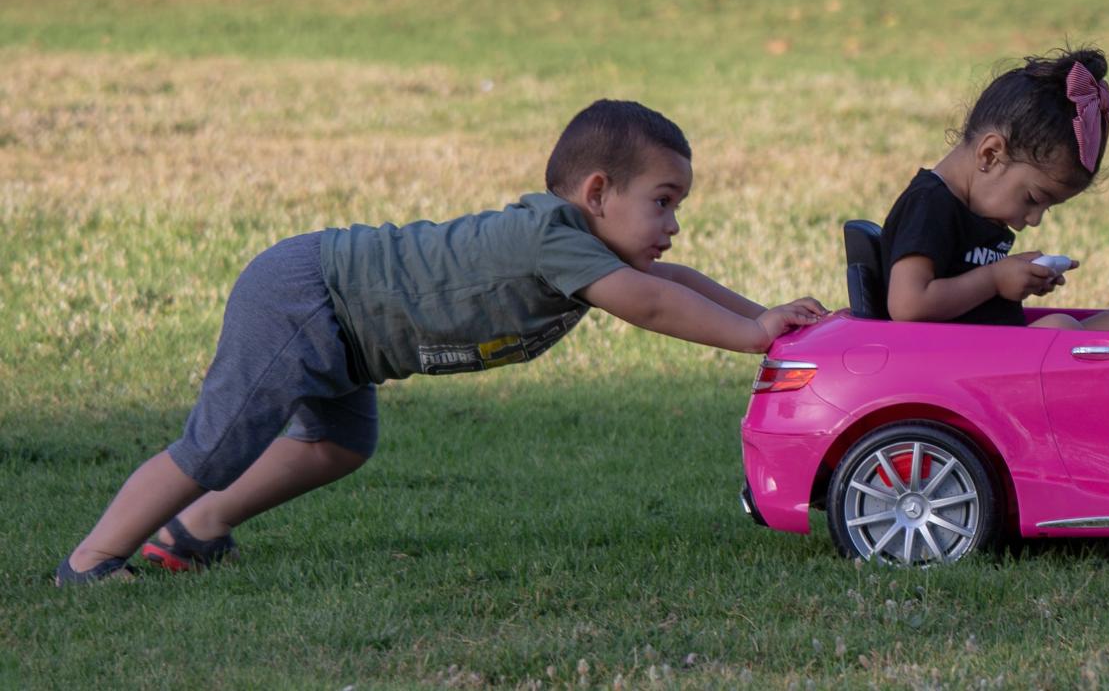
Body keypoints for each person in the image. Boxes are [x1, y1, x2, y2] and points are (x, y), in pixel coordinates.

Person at [56, 99, 824, 584]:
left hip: (351, 332)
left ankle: (195, 529)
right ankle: (91, 560)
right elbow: (652, 305)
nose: (672, 224)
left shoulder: (588, 247)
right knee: (219, 442)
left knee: (339, 445)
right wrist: (749, 335)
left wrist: (765, 320)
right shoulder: (553, 239)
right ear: (597, 193)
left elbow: (675, 279)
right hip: (308, 297)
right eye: (662, 202)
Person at [880, 47, 1109, 332]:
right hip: (955, 365)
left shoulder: (979, 208)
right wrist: (994, 280)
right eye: (1033, 199)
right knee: (1061, 329)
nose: (1034, 219)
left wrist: (1016, 277)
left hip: (998, 355)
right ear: (991, 154)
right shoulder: (929, 204)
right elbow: (908, 305)